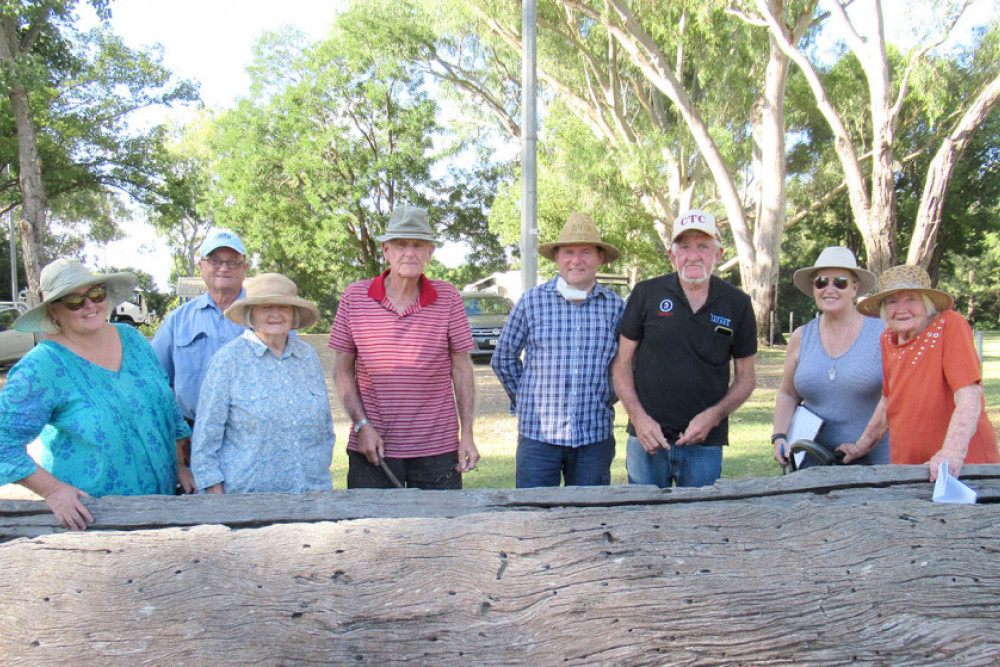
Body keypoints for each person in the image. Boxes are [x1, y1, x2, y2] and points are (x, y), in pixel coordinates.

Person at [0, 259, 190, 530]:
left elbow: (165, 405)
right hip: (96, 520)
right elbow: (3, 444)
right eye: (74, 301)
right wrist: (53, 490)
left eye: (96, 294)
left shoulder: (133, 339)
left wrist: (180, 465)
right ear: (53, 310)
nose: (89, 305)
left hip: (162, 507)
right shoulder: (42, 366)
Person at [330, 205, 479, 489]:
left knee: (442, 530)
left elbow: (462, 370)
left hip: (438, 446)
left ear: (429, 252)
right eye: (400, 245)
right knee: (371, 531)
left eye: (418, 245)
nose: (409, 253)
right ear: (386, 250)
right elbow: (341, 370)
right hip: (373, 446)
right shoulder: (354, 297)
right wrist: (362, 426)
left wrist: (468, 435)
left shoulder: (448, 297)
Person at [612, 209, 757, 488]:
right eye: (685, 246)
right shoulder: (646, 294)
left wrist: (713, 417)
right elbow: (621, 365)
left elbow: (746, 378)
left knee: (698, 527)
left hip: (704, 444)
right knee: (644, 524)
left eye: (703, 246)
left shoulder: (737, 303)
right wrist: (639, 419)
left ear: (718, 254)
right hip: (647, 440)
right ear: (671, 254)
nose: (693, 256)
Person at [492, 212, 626, 488]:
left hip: (594, 437)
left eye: (586, 252)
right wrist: (527, 398)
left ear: (600, 258)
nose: (576, 260)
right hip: (538, 437)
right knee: (535, 518)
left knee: (590, 519)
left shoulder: (616, 307)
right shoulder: (532, 302)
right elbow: (503, 358)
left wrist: (604, 397)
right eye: (568, 252)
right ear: (556, 258)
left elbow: (627, 365)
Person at [839, 265, 999, 480]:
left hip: (960, 466)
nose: (901, 308)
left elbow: (968, 394)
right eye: (892, 301)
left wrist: (951, 453)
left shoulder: (950, 324)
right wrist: (861, 446)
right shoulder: (888, 338)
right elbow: (889, 400)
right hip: (908, 464)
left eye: (911, 299)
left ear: (927, 303)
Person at [190, 273, 334, 494]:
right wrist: (218, 505)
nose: (275, 314)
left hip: (312, 498)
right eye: (265, 307)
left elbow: (324, 428)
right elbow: (205, 442)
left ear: (293, 313)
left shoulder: (308, 356)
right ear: (251, 313)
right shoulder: (229, 360)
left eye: (284, 307)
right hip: (248, 504)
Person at [772, 247, 889, 469]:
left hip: (874, 462)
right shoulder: (801, 336)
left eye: (840, 282)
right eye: (822, 281)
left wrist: (865, 443)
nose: (830, 289)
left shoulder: (882, 334)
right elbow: (787, 394)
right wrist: (779, 435)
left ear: (854, 288)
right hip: (812, 462)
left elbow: (897, 399)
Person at [152, 229, 248, 483]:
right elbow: (156, 383)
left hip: (252, 438)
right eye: (215, 260)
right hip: (190, 438)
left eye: (233, 261)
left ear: (245, 267)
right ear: (201, 266)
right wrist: (177, 439)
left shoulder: (268, 317)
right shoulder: (177, 321)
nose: (224, 268)